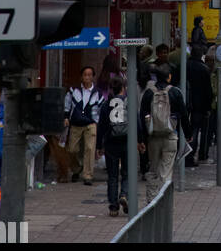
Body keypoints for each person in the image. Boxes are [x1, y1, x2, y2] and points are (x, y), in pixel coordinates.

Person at [139, 66, 192, 203]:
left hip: (153, 138)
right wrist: (188, 134)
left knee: (153, 168)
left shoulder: (149, 93)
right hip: (170, 136)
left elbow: (141, 116)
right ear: (169, 77)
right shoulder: (175, 92)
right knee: (166, 171)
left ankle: (151, 200)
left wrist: (142, 139)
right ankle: (163, 202)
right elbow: (184, 115)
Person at [96, 78, 145, 218]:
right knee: (127, 172)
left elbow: (101, 127)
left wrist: (100, 146)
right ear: (123, 88)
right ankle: (124, 194)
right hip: (127, 142)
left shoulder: (106, 105)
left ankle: (113, 207)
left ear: (111, 89)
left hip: (111, 143)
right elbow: (137, 123)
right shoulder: (129, 103)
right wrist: (140, 140)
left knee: (112, 176)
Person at [64, 66, 106, 186]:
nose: (87, 77)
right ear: (81, 77)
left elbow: (101, 108)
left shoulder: (97, 93)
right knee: (72, 149)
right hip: (76, 123)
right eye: (85, 75)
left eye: (89, 75)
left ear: (93, 77)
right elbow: (67, 105)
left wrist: (98, 122)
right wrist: (66, 117)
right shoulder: (73, 91)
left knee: (90, 149)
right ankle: (77, 168)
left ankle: (88, 175)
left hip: (90, 124)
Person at [186, 47, 214, 164]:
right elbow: (208, 91)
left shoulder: (185, 66)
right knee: (197, 131)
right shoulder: (204, 69)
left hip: (186, 104)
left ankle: (186, 155)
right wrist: (208, 107)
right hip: (200, 105)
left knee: (188, 130)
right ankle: (195, 155)